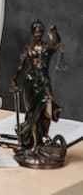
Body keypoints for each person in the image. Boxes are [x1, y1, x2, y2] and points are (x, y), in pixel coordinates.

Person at [10, 20, 64, 165]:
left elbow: (57, 45)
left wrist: (54, 34)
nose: (38, 33)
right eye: (36, 31)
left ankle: (44, 135)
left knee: (47, 110)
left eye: (41, 31)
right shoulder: (28, 49)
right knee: (33, 115)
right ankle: (34, 144)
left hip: (44, 83)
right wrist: (15, 80)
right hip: (30, 84)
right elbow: (21, 65)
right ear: (32, 33)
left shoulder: (46, 49)